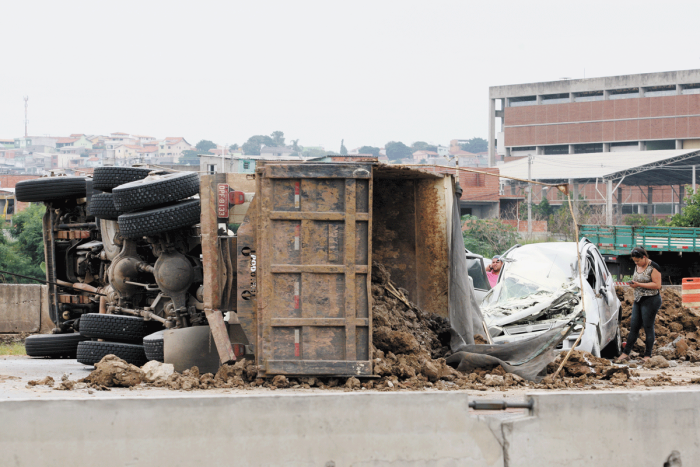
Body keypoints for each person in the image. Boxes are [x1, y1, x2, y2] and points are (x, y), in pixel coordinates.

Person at [617, 246, 662, 362]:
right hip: (638, 299)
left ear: (644, 257)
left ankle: (647, 356)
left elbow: (657, 285)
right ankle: (625, 353)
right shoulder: (638, 265)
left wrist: (639, 285)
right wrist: (633, 284)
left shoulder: (653, 267)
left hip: (651, 300)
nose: (636, 263)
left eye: (638, 260)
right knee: (634, 326)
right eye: (634, 261)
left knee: (648, 326)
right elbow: (638, 279)